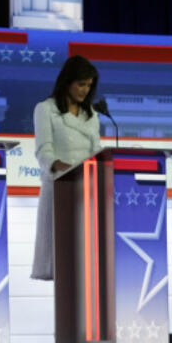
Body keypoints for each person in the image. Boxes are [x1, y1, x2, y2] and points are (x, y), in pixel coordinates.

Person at [31, 55, 103, 280]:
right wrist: (65, 167)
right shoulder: (45, 109)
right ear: (67, 81)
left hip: (88, 191)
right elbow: (44, 152)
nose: (85, 90)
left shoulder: (91, 115)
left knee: (86, 265)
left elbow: (97, 151)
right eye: (81, 84)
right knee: (64, 261)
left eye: (89, 85)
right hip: (60, 188)